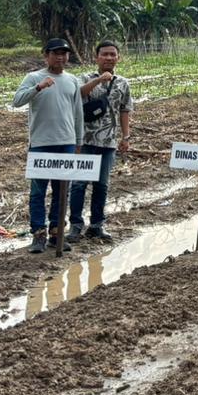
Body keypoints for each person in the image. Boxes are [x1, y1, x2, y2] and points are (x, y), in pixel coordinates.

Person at [13, 38, 84, 254]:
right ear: (46, 56)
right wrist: (38, 87)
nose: (60, 57)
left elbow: (77, 113)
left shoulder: (72, 80)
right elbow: (17, 101)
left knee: (62, 191)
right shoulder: (34, 77)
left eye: (64, 53)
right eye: (55, 53)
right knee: (37, 192)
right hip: (41, 144)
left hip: (66, 143)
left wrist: (79, 141)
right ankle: (38, 234)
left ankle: (56, 232)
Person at [69, 40, 134, 243]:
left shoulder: (123, 83)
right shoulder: (86, 78)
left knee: (102, 185)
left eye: (112, 54)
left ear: (118, 58)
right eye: (104, 54)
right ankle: (76, 225)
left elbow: (125, 110)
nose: (108, 58)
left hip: (108, 143)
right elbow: (78, 95)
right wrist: (99, 81)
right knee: (79, 184)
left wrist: (126, 136)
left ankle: (97, 225)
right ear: (96, 57)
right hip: (85, 141)